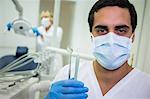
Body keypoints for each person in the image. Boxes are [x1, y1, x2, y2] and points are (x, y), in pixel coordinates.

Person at [45, 0, 150, 99]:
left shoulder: (146, 87)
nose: (111, 39)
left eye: (121, 30)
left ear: (133, 36)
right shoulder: (67, 75)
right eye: (102, 30)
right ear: (92, 37)